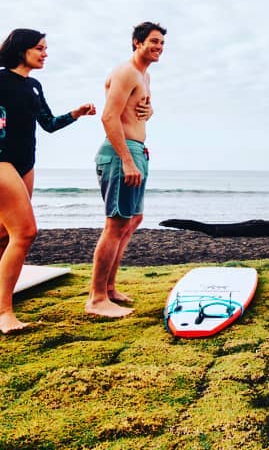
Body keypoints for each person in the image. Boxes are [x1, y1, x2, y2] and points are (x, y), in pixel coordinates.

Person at [0, 29, 96, 333]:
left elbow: (47, 125)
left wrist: (74, 114)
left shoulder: (34, 85)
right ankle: (5, 312)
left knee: (1, 238)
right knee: (25, 233)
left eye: (45, 48)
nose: (45, 53)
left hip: (25, 164)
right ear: (21, 50)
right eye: (39, 48)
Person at [85, 21, 165, 318]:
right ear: (136, 42)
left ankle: (109, 289)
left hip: (137, 150)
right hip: (121, 153)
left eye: (161, 44)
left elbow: (140, 108)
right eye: (153, 42)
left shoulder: (144, 76)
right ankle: (95, 299)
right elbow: (109, 117)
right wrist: (127, 161)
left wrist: (150, 110)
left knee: (133, 220)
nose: (158, 48)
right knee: (116, 224)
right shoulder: (126, 72)